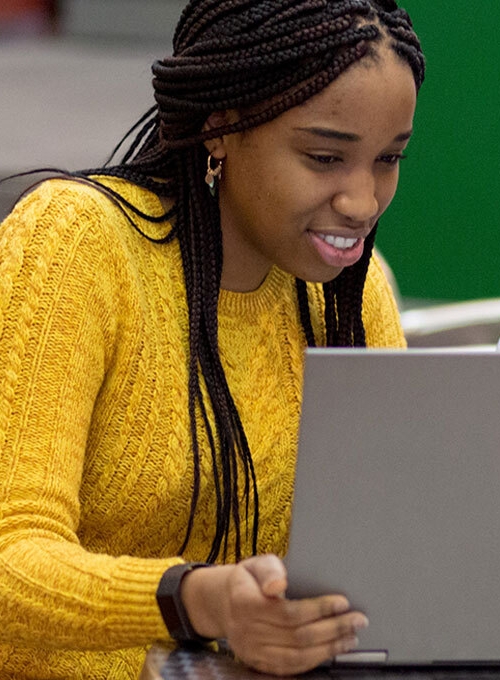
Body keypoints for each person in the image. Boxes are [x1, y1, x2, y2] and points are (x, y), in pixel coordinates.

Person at [0, 0, 425, 677]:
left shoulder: (353, 291)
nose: (362, 201)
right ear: (221, 127)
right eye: (324, 156)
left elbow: (387, 552)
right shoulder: (76, 243)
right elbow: (10, 560)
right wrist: (195, 601)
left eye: (387, 159)